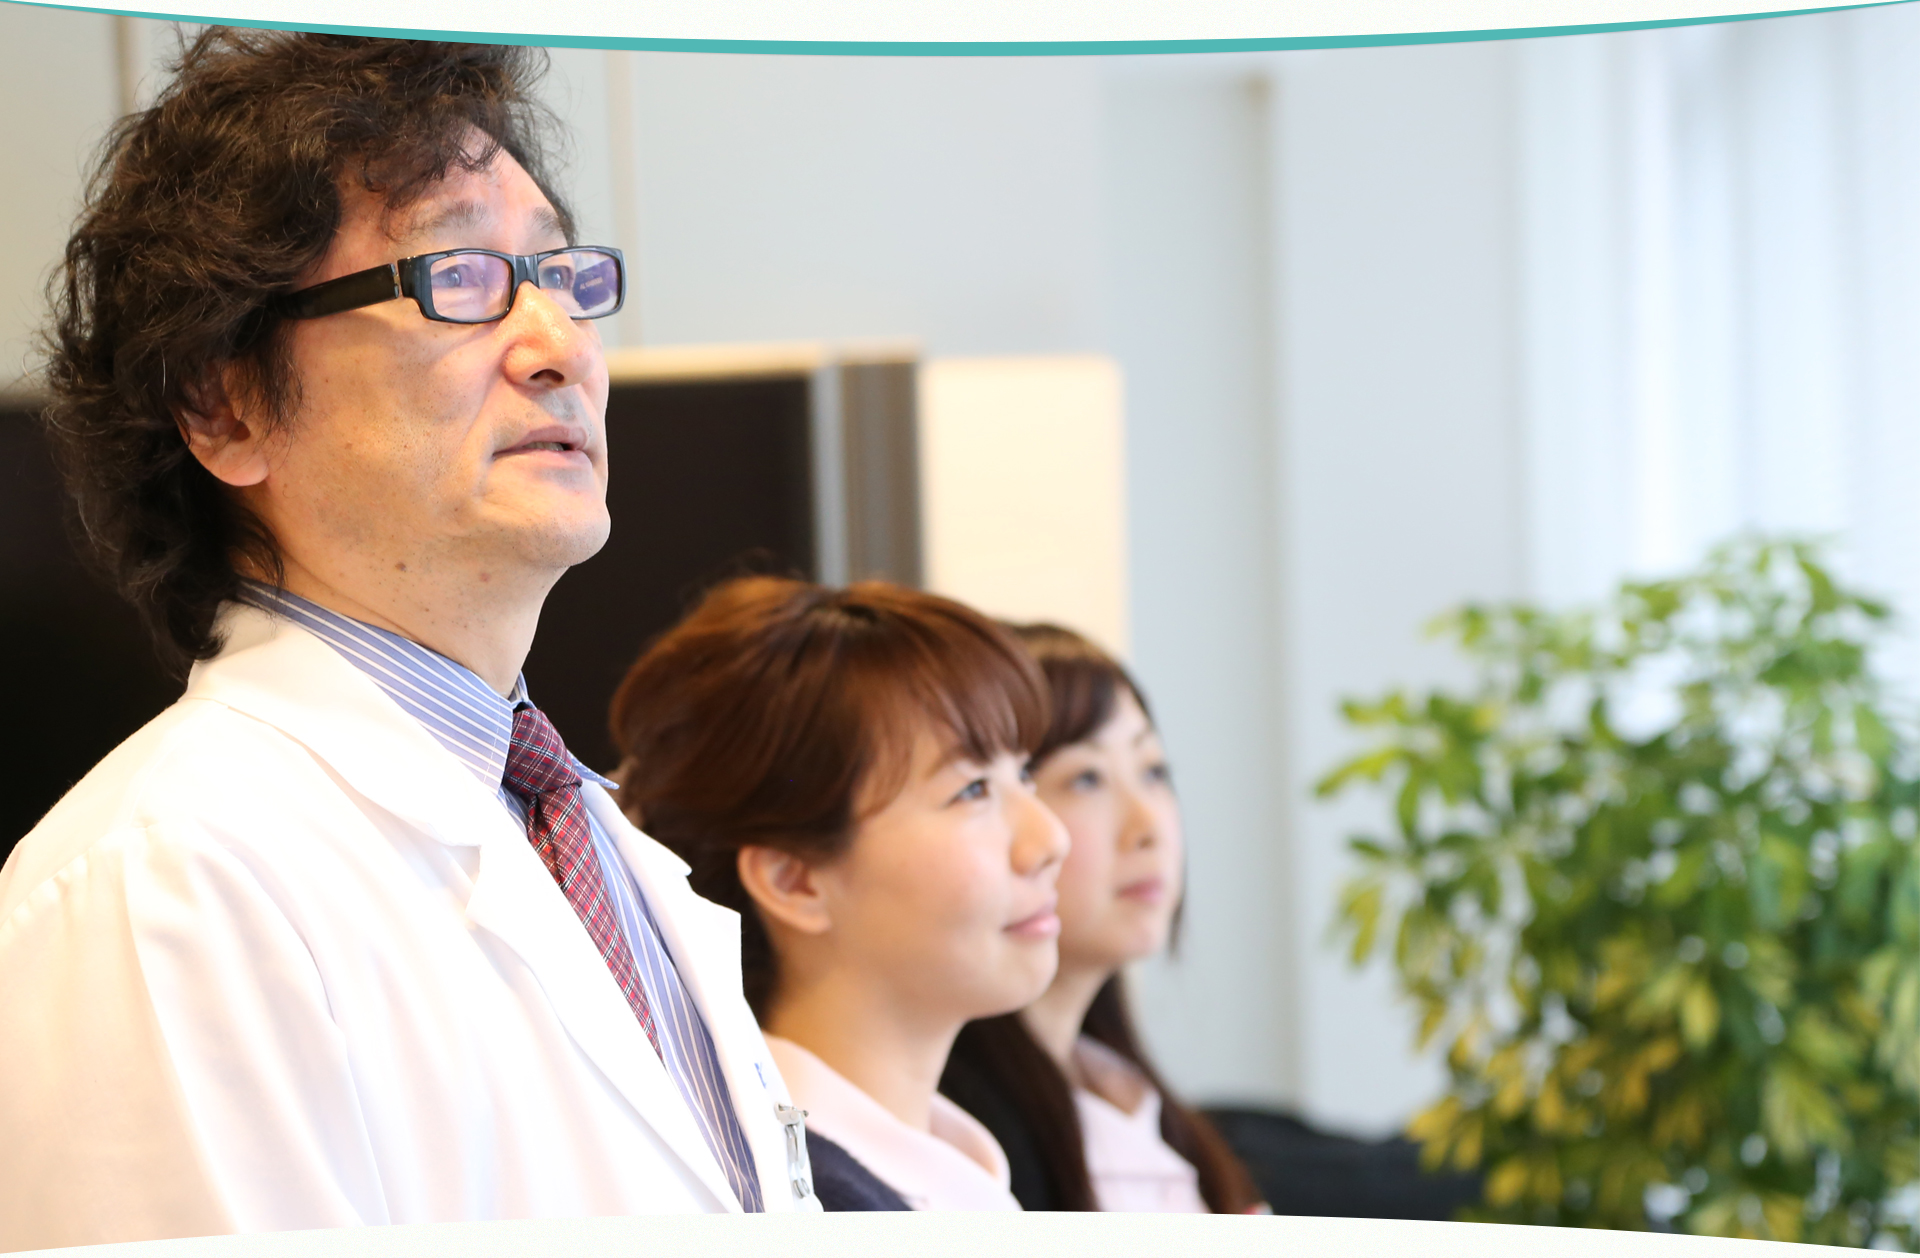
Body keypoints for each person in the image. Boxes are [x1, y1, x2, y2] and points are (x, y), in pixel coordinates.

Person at [0, 32, 818, 1250]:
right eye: (461, 276)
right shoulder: (166, 878)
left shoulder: (587, 834)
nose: (559, 345)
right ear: (224, 405)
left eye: (559, 273)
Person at [609, 577, 1071, 1212]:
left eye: (1023, 773)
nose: (1050, 839)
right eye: (972, 790)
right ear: (794, 881)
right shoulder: (795, 1201)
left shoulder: (948, 1163)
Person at [939, 623, 1263, 1213]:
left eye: (1154, 770)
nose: (1148, 826)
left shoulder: (1119, 1084)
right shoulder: (969, 1140)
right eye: (1086, 778)